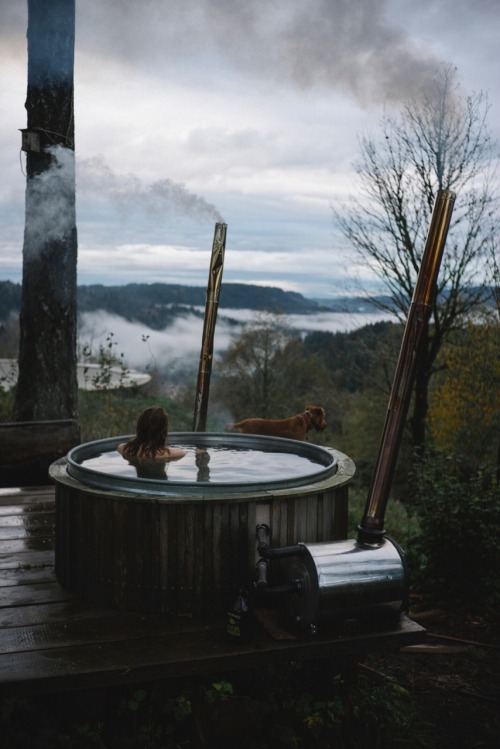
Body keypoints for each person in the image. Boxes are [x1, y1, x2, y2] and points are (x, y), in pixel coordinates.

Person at [117, 406, 187, 462]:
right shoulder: (173, 454)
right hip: (158, 479)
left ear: (140, 427)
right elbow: (184, 452)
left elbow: (121, 446)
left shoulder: (124, 449)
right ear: (163, 431)